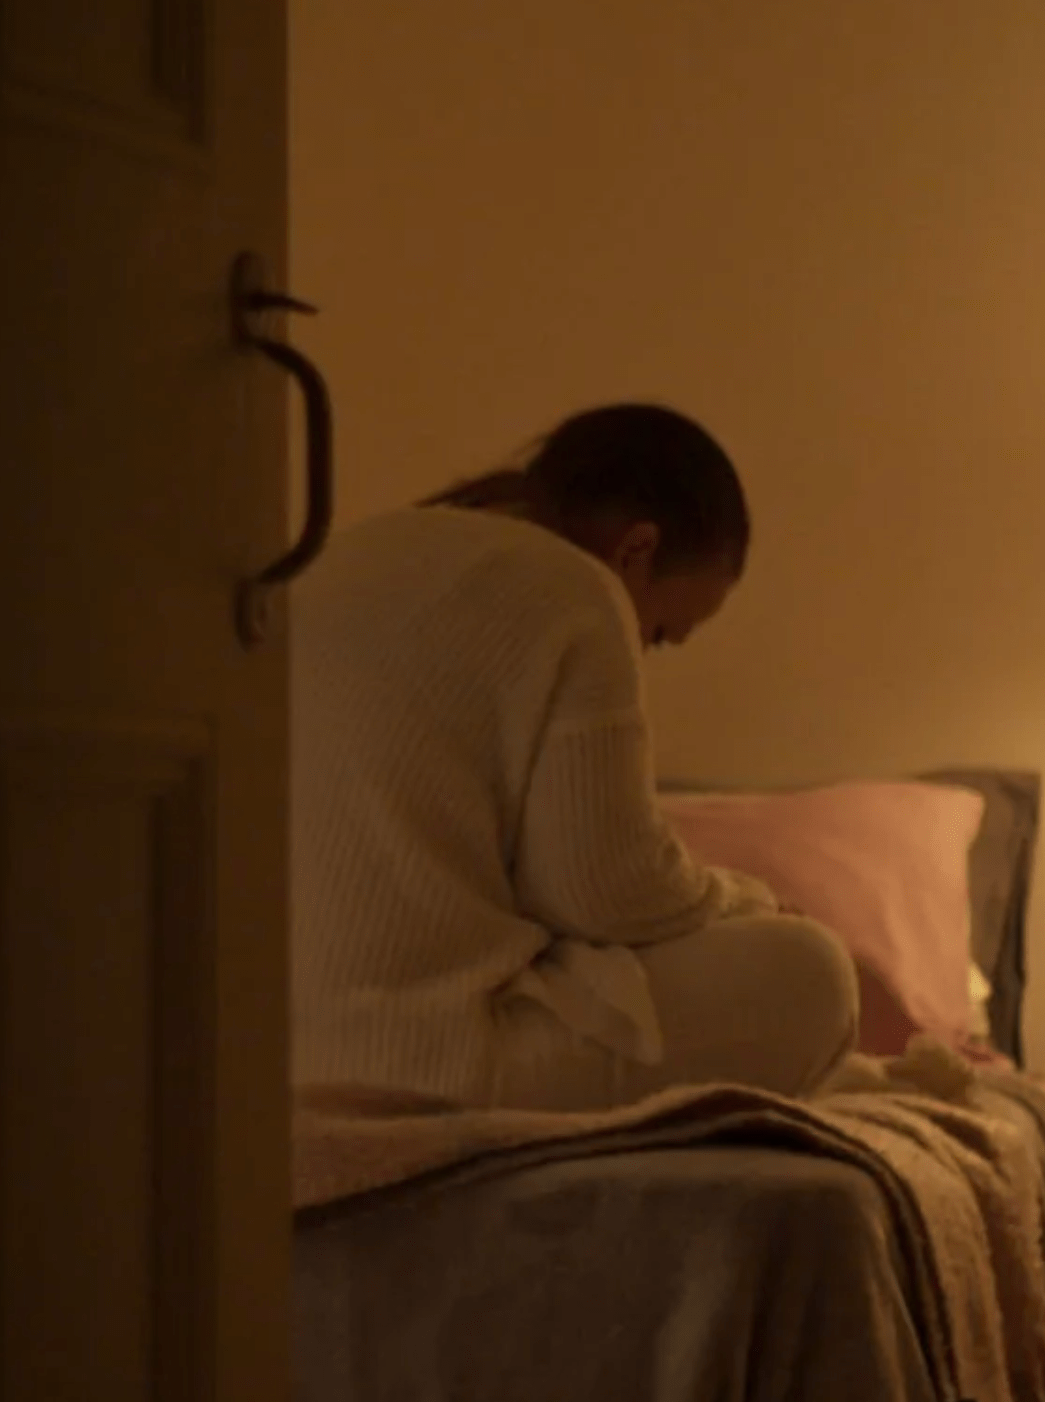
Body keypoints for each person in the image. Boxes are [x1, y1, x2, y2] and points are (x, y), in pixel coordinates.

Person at [291, 402, 859, 1112]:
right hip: (426, 1060)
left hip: (270, 1053)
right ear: (638, 550)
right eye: (658, 632)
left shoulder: (344, 555)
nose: (643, 648)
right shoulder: (577, 587)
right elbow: (601, 890)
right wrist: (748, 900)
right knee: (813, 973)